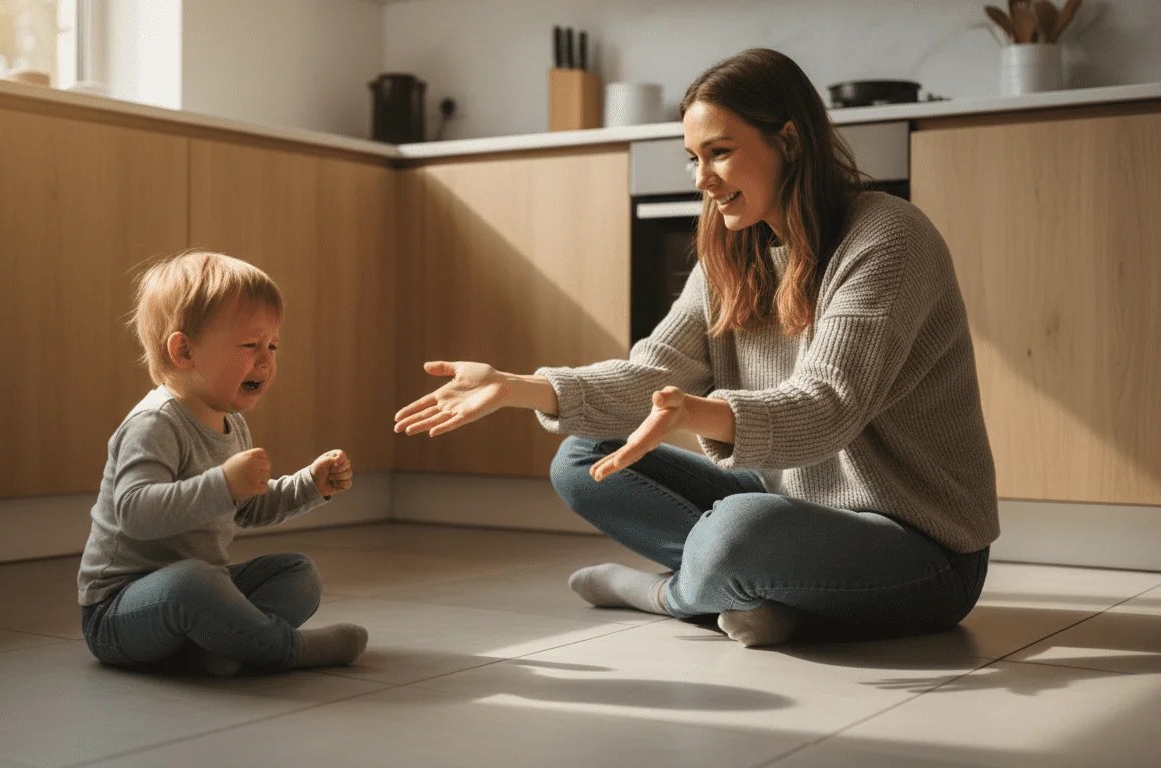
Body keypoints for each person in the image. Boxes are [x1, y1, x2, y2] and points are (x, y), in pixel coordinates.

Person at [393, 48, 997, 648]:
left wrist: (697, 411)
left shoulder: (886, 238)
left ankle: (670, 594)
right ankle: (757, 591)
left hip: (924, 550)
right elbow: (651, 372)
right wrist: (518, 386)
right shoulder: (733, 257)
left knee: (739, 528)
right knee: (581, 459)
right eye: (693, 158)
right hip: (788, 505)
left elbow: (827, 407)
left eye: (720, 153)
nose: (701, 179)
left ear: (788, 141)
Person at [78, 249, 366, 676]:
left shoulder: (231, 423)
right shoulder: (155, 424)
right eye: (250, 345)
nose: (266, 360)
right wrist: (224, 484)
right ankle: (285, 649)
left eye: (272, 344)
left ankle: (219, 648)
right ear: (184, 351)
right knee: (193, 581)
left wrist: (310, 484)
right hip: (121, 612)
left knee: (297, 573)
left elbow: (245, 508)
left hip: (198, 590)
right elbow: (135, 513)